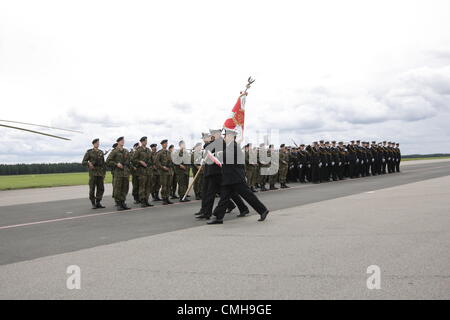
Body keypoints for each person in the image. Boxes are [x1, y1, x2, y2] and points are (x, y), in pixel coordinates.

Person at [208, 129, 269, 225]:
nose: (224, 137)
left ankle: (263, 210)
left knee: (248, 195)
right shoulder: (230, 146)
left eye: (225, 135)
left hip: (235, 177)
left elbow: (227, 157)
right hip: (230, 177)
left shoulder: (233, 146)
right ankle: (218, 217)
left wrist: (218, 154)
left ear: (231, 136)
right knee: (224, 198)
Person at [196, 129, 249, 220]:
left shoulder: (220, 142)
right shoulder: (216, 142)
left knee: (214, 193)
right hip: (211, 171)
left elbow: (211, 150)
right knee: (222, 192)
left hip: (217, 171)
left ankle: (207, 212)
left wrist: (207, 143)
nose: (212, 136)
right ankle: (241, 207)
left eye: (213, 134)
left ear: (218, 134)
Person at [106, 136, 131, 210]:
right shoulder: (114, 151)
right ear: (118, 142)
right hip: (118, 173)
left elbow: (129, 161)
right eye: (121, 141)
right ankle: (119, 203)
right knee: (118, 189)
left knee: (125, 188)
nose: (123, 142)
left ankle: (123, 202)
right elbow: (108, 161)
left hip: (125, 173)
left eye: (123, 140)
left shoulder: (126, 151)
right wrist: (116, 164)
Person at [82, 138, 106, 209]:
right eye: (96, 143)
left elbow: (103, 164)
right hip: (93, 173)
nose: (98, 144)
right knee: (92, 188)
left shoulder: (101, 152)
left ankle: (98, 202)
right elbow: (83, 162)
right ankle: (93, 203)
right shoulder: (89, 152)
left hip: (100, 173)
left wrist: (104, 173)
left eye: (98, 143)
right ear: (94, 144)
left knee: (101, 188)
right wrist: (89, 163)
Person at [132, 136, 154, 207]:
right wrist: (140, 161)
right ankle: (142, 201)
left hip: (148, 171)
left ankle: (146, 200)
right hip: (141, 172)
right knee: (142, 187)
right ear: (141, 142)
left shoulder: (148, 150)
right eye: (144, 141)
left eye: (146, 141)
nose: (146, 142)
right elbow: (133, 159)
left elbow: (151, 160)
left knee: (148, 186)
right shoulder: (138, 150)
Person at [155, 139, 174, 205]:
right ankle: (164, 198)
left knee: (169, 185)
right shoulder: (159, 153)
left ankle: (167, 198)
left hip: (169, 171)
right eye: (165, 143)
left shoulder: (169, 152)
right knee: (164, 186)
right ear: (162, 145)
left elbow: (171, 161)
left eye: (166, 143)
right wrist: (162, 167)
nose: (166, 144)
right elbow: (156, 162)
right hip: (163, 172)